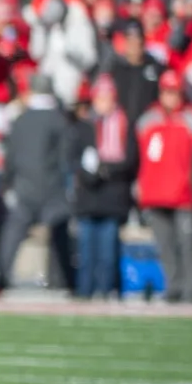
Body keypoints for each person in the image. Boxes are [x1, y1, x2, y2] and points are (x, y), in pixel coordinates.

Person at [0, 72, 72, 295]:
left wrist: (7, 183)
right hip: (52, 186)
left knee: (13, 235)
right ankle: (63, 280)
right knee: (58, 236)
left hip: (24, 186)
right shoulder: (58, 120)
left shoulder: (20, 119)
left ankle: (1, 278)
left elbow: (10, 157)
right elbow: (65, 156)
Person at [136, 69, 192, 304]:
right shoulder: (148, 121)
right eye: (167, 92)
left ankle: (191, 288)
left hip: (184, 194)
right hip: (155, 194)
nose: (171, 97)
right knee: (165, 246)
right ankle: (173, 286)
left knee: (187, 244)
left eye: (175, 92)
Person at [70, 75, 138, 300]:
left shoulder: (123, 125)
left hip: (112, 198)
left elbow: (129, 159)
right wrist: (93, 173)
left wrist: (105, 170)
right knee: (87, 254)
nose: (103, 102)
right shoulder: (85, 126)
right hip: (89, 198)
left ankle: (107, 291)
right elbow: (75, 158)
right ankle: (85, 292)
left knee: (108, 254)